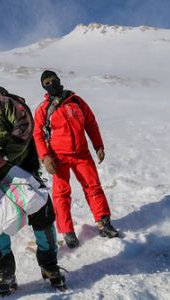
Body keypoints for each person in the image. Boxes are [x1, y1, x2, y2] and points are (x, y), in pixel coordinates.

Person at [0, 65, 66, 296]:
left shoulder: (6, 101)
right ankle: (6, 273)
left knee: (43, 216)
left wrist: (5, 155)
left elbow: (24, 126)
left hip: (24, 171)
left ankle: (49, 266)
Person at [33, 70, 119, 249]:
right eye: (47, 82)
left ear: (58, 79)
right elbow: (37, 134)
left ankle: (104, 222)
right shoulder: (43, 109)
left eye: (53, 80)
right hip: (58, 157)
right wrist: (45, 157)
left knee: (93, 187)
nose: (51, 84)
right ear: (43, 86)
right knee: (61, 194)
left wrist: (98, 146)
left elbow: (91, 123)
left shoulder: (76, 101)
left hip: (81, 153)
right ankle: (67, 232)